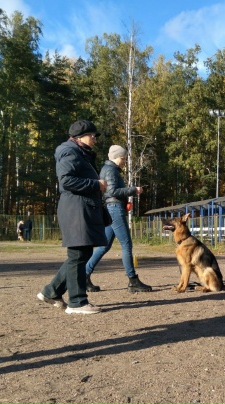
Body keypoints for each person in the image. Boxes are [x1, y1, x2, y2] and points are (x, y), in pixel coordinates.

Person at [37, 120, 108, 315]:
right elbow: (67, 180)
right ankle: (77, 302)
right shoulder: (69, 151)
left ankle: (52, 291)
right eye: (92, 135)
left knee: (81, 254)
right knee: (77, 254)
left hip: (81, 208)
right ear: (79, 137)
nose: (95, 138)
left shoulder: (79, 152)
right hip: (76, 209)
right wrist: (96, 184)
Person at [85, 145, 152, 293]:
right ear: (116, 157)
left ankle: (84, 275)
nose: (124, 161)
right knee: (126, 244)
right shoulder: (110, 170)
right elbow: (113, 191)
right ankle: (133, 281)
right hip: (115, 209)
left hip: (113, 207)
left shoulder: (110, 169)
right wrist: (133, 190)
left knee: (104, 246)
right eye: (123, 158)